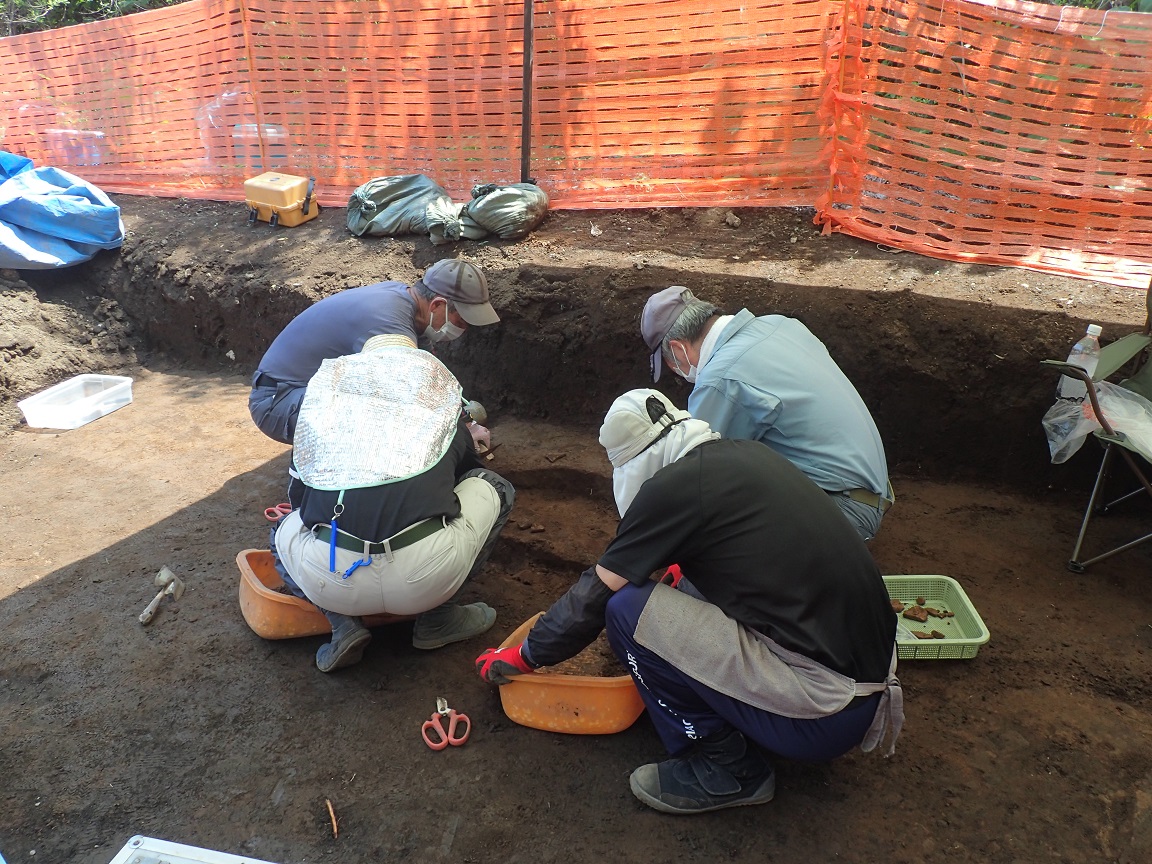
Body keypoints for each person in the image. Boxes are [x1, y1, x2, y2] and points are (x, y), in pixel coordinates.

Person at [476, 390, 902, 815]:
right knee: (683, 589)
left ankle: (729, 767)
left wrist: (527, 655)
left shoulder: (672, 491)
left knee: (626, 612)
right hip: (866, 680)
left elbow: (597, 593)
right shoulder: (745, 456)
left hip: (820, 714)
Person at [271, 335, 515, 672]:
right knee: (495, 487)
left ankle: (343, 626)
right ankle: (438, 619)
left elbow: (298, 502)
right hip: (426, 579)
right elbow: (467, 479)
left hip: (331, 579)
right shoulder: (445, 428)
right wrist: (463, 445)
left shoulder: (320, 428)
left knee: (280, 532)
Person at [639, 286, 893, 541]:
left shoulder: (719, 379)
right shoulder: (780, 325)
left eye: (671, 365)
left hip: (845, 511)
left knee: (714, 534)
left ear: (678, 348)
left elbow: (695, 477)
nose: (678, 374)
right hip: (873, 490)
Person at [249, 258, 498, 446]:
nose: (462, 330)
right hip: (278, 403)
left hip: (296, 393)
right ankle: (308, 489)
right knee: (392, 417)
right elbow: (412, 390)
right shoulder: (388, 324)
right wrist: (465, 430)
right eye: (461, 321)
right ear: (437, 305)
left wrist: (463, 418)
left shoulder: (403, 300)